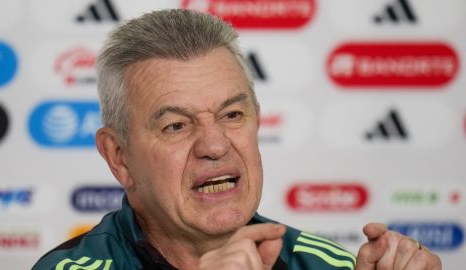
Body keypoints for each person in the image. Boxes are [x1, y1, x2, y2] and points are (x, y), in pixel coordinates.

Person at [32, 9, 442, 270]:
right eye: (176, 125)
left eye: (232, 115)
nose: (214, 145)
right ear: (118, 156)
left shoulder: (328, 265)